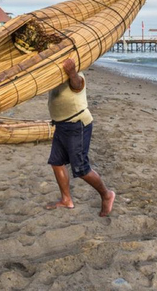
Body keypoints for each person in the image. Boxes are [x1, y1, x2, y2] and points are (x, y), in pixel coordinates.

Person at [45, 58, 115, 217]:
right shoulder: (55, 77)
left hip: (77, 125)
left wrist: (71, 72)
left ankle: (107, 194)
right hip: (61, 125)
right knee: (56, 163)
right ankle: (66, 200)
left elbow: (77, 85)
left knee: (81, 168)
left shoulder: (76, 75)